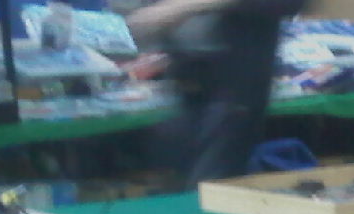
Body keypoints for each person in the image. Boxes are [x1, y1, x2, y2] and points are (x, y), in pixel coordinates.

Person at [130, 0, 303, 185]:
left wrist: (184, 7)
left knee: (212, 181)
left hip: (234, 90)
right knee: (173, 176)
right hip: (185, 85)